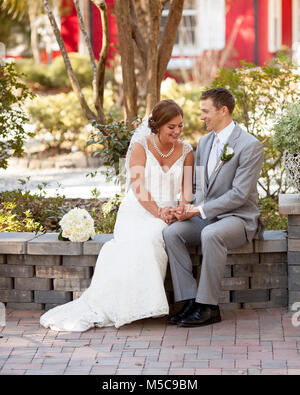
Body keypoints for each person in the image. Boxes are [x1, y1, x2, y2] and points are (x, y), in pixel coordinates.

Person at [40, 99, 194, 332]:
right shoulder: (141, 147)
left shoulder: (187, 151)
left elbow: (187, 191)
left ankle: (142, 304)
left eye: (180, 126)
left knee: (156, 233)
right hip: (138, 210)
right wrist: (159, 212)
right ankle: (128, 305)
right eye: (171, 126)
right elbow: (138, 187)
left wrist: (180, 210)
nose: (177, 131)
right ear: (158, 126)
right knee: (148, 236)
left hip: (169, 212)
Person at [163, 87, 264, 328]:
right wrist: (184, 207)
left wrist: (198, 211)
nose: (202, 117)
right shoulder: (205, 142)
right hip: (208, 215)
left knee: (211, 233)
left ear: (223, 110)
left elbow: (239, 195)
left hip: (239, 218)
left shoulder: (250, 146)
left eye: (206, 111)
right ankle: (189, 301)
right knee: (172, 232)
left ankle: (209, 307)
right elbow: (199, 186)